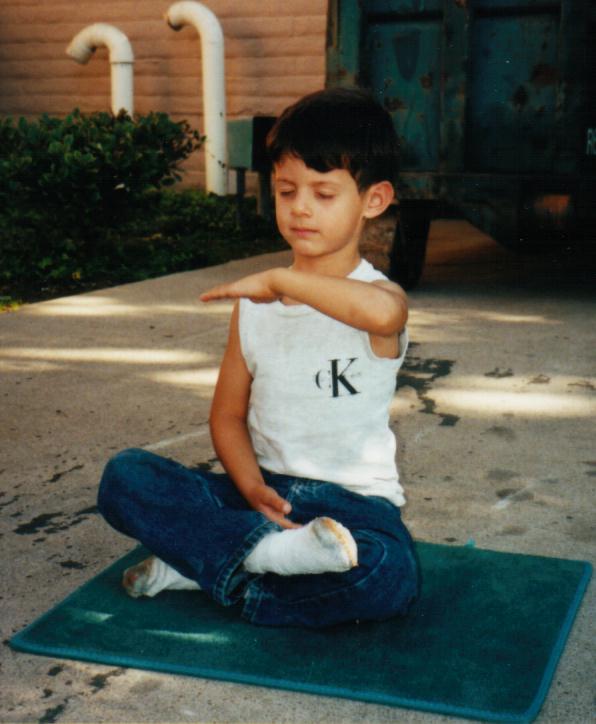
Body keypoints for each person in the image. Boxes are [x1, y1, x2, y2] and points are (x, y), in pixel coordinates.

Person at [98, 87, 419, 628]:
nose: (300, 208)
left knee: (388, 575)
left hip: (354, 507)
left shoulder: (378, 296)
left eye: (323, 193)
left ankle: (209, 566)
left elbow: (386, 315)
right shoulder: (253, 309)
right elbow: (227, 416)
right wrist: (250, 487)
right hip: (262, 495)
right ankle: (264, 555)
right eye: (286, 190)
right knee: (125, 477)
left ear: (374, 200)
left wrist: (281, 280)